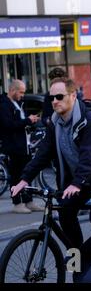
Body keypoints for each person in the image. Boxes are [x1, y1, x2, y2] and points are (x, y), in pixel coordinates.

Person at [11, 77, 91, 249]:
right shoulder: (55, 123)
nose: (54, 101)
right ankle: (78, 259)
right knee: (66, 213)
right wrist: (24, 179)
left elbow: (90, 156)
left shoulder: (90, 122)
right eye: (51, 98)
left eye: (59, 96)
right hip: (84, 180)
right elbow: (43, 154)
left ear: (73, 96)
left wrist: (76, 183)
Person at [0, 80, 43, 214]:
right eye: (21, 92)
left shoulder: (18, 103)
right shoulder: (3, 105)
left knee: (27, 173)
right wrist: (27, 121)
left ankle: (28, 201)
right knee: (16, 175)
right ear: (13, 90)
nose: (23, 95)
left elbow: (19, 123)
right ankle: (17, 203)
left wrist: (30, 122)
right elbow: (8, 125)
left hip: (24, 145)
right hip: (13, 146)